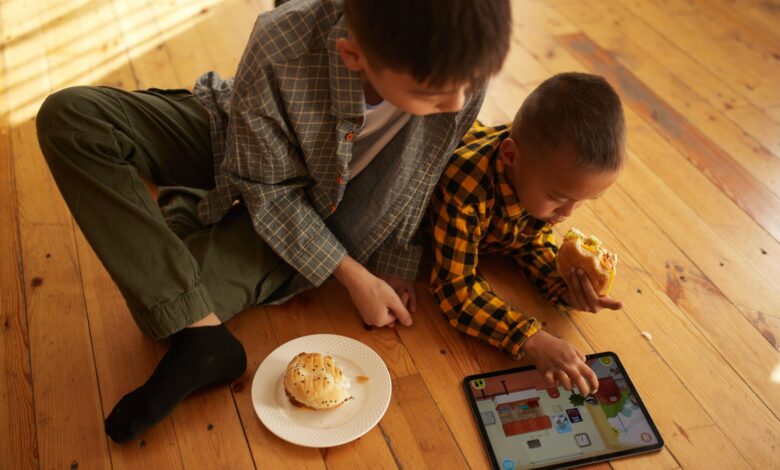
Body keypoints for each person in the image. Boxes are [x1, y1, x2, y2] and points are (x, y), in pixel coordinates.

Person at [35, 0, 511, 442]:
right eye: (433, 94)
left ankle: (196, 298)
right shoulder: (282, 41)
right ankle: (197, 277)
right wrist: (355, 277)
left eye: (472, 83)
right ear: (353, 55)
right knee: (70, 118)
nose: (458, 104)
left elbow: (425, 168)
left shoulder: (462, 60)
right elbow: (268, 190)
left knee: (169, 308)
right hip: (235, 138)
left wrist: (394, 260)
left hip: (315, 219)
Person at [428, 72, 625, 396]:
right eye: (559, 198)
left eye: (583, 201)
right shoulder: (465, 190)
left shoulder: (539, 173)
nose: (567, 214)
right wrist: (530, 338)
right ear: (510, 156)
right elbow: (454, 288)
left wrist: (564, 286)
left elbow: (528, 241)